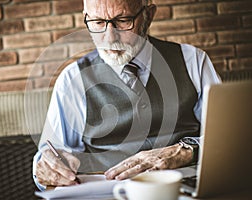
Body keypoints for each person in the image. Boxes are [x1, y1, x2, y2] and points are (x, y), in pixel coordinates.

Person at [33, 0, 221, 190]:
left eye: (123, 20)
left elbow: (230, 141)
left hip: (188, 190)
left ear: (149, 15)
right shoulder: (72, 80)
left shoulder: (193, 61)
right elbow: (49, 158)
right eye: (98, 22)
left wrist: (185, 151)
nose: (109, 37)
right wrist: (46, 169)